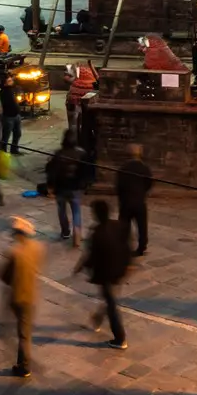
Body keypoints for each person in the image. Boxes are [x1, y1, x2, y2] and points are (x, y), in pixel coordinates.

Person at [75, 198, 132, 349]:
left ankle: (120, 338)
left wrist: (81, 267)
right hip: (120, 270)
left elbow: (92, 256)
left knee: (111, 303)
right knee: (110, 298)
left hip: (106, 273)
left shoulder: (97, 233)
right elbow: (128, 245)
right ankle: (98, 318)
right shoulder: (119, 226)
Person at [0, 216, 44, 378]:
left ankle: (24, 366)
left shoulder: (14, 253)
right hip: (31, 295)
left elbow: (3, 275)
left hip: (17, 297)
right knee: (24, 332)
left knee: (22, 334)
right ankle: (21, 362)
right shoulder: (38, 247)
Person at [46, 133, 84, 244]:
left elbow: (52, 172)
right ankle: (77, 232)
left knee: (62, 210)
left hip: (61, 188)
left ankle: (65, 232)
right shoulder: (81, 154)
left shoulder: (58, 154)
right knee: (76, 211)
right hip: (75, 187)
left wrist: (50, 186)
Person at [116, 143, 152, 255]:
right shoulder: (144, 168)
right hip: (139, 201)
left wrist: (121, 197)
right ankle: (142, 247)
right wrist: (142, 193)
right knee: (142, 225)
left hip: (126, 201)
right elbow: (148, 183)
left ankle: (122, 245)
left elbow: (119, 185)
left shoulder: (123, 168)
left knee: (124, 224)